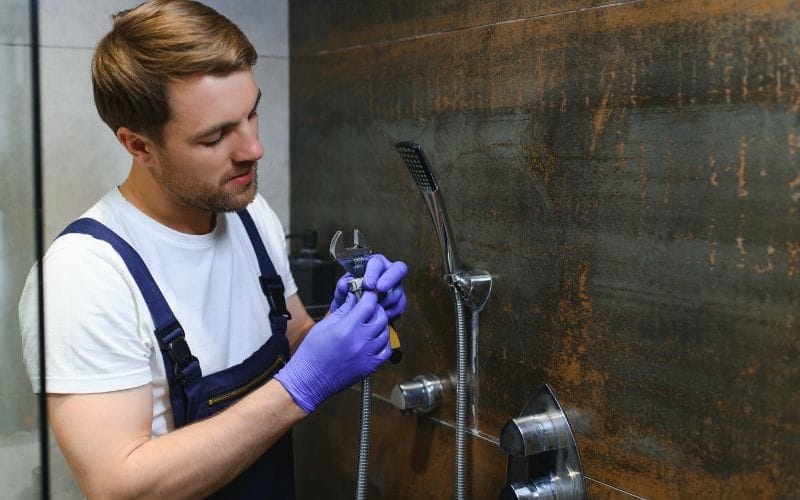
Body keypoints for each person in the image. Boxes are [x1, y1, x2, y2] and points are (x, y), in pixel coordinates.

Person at [17, 1, 408, 498]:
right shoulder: (82, 277)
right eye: (217, 135)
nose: (252, 149)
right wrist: (301, 388)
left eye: (252, 113)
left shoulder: (247, 213)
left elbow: (293, 343)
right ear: (138, 146)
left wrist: (349, 321)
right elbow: (121, 485)